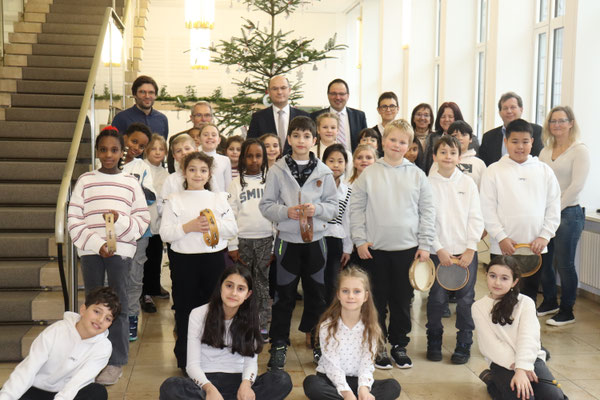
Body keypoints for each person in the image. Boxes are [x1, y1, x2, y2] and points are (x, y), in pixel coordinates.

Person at [350, 119, 435, 370]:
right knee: (376, 301)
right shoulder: (369, 174)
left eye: (403, 142)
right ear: (383, 141)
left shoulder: (417, 175)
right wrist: (359, 240)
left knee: (402, 300)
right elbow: (356, 209)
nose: (397, 145)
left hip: (407, 250)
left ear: (409, 145)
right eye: (393, 140)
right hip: (374, 250)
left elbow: (428, 211)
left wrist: (425, 244)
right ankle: (378, 345)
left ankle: (399, 344)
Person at [67, 127, 150, 385]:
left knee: (118, 304)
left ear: (122, 152)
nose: (108, 155)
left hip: (120, 253)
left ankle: (115, 361)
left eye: (114, 150)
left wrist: (121, 222)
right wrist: (96, 244)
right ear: (97, 152)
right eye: (103, 150)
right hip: (91, 252)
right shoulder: (85, 180)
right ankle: (91, 357)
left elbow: (142, 219)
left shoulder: (130, 182)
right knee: (93, 303)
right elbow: (74, 219)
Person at [259, 116, 338, 370]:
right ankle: (279, 345)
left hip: (316, 243)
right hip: (287, 243)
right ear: (289, 139)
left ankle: (319, 344)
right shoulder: (277, 170)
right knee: (283, 297)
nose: (301, 141)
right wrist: (286, 212)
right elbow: (266, 206)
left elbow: (334, 207)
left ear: (314, 140)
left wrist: (318, 209)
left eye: (306, 136)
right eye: (296, 136)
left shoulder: (324, 172)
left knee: (317, 296)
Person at [159, 266, 293, 400]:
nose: (233, 293)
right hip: (206, 382)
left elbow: (251, 362)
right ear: (220, 287)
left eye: (241, 289)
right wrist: (209, 389)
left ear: (248, 294)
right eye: (229, 286)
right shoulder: (198, 314)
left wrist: (246, 385)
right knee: (170, 386)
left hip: (239, 379)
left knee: (282, 380)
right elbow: (192, 365)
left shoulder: (252, 317)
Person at [159, 152, 238, 369]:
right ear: (184, 172)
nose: (197, 174)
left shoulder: (218, 198)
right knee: (185, 309)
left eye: (203, 170)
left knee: (213, 308)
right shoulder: (174, 199)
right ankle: (186, 359)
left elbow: (232, 229)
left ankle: (212, 355)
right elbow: (165, 233)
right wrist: (189, 227)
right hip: (184, 261)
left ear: (209, 174)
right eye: (192, 169)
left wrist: (212, 225)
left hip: (213, 260)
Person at [480, 119, 561, 303]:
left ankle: (526, 323)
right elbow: (487, 208)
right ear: (506, 142)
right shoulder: (493, 171)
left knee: (528, 297)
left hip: (535, 248)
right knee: (501, 295)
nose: (520, 146)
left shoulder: (544, 170)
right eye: (514, 141)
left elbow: (553, 206)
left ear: (532, 142)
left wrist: (545, 236)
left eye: (525, 141)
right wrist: (501, 237)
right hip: (503, 247)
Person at [473, 256, 568, 400]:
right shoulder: (478, 307)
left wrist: (522, 367)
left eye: (504, 278)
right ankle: (492, 382)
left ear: (514, 281)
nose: (497, 282)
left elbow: (529, 337)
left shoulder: (526, 302)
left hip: (530, 359)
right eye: (492, 276)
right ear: (486, 275)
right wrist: (517, 368)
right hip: (502, 362)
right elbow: (490, 345)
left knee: (554, 397)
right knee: (524, 397)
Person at [0, 287, 119, 400]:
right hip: (36, 389)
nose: (100, 320)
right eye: (97, 312)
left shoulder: (103, 347)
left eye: (108, 319)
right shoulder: (56, 331)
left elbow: (78, 383)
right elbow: (28, 369)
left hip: (68, 394)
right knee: (9, 393)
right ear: (83, 310)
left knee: (97, 392)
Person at [426, 135, 484, 364]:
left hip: (465, 253)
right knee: (437, 299)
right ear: (434, 156)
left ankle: (464, 342)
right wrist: (438, 249)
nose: (447, 157)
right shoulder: (427, 184)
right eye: (443, 152)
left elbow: (476, 217)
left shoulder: (468, 183)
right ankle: (434, 340)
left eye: (452, 153)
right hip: (438, 253)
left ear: (459, 157)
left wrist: (470, 248)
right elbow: (426, 221)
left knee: (466, 300)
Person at [303, 266, 401, 400]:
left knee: (393, 386)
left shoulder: (371, 328)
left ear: (365, 296)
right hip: (330, 379)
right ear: (338, 294)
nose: (350, 296)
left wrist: (364, 389)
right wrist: (346, 393)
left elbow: (367, 364)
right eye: (345, 291)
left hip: (357, 381)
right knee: (311, 384)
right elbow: (332, 365)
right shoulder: (328, 326)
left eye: (357, 291)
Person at [537, 106, 590, 326]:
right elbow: (540, 182)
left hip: (569, 214)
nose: (556, 125)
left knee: (565, 265)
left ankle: (567, 310)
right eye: (553, 121)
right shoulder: (545, 151)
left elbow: (576, 186)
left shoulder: (580, 150)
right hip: (545, 213)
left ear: (571, 123)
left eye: (561, 120)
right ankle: (550, 301)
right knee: (544, 261)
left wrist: (554, 210)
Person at [227, 139, 273, 341]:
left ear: (264, 158)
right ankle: (242, 322)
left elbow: (276, 214)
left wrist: (274, 246)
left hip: (266, 239)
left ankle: (261, 324)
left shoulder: (271, 181)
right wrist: (232, 244)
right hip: (243, 241)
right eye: (249, 156)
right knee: (242, 283)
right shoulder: (235, 184)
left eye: (258, 156)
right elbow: (230, 215)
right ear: (243, 158)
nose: (254, 160)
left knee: (262, 284)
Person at [121, 123, 156, 340]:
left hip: (139, 231)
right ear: (124, 138)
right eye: (134, 141)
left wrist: (132, 184)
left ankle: (132, 317)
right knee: (110, 278)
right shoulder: (107, 162)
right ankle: (110, 318)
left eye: (141, 146)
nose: (136, 148)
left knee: (134, 278)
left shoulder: (142, 167)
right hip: (112, 231)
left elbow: (150, 197)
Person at [141, 134, 170, 313]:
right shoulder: (141, 168)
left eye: (161, 149)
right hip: (143, 224)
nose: (157, 152)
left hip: (158, 225)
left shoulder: (166, 174)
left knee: (155, 258)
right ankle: (145, 293)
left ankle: (154, 287)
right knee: (144, 260)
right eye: (153, 149)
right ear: (146, 150)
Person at [321, 144, 352, 303]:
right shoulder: (316, 187)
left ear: (346, 164)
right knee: (317, 280)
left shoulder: (347, 191)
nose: (335, 165)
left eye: (340, 161)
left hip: (335, 240)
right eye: (331, 160)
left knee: (332, 280)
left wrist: (347, 248)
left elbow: (347, 221)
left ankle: (330, 312)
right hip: (317, 238)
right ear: (323, 163)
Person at [247, 75, 309, 153]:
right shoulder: (258, 118)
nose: (279, 92)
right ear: (269, 92)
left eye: (283, 88)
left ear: (289, 90)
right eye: (275, 89)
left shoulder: (304, 117)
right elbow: (251, 146)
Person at [479, 92, 543, 166]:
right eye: (505, 108)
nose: (509, 111)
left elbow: (538, 158)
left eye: (513, 107)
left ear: (521, 109)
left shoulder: (537, 131)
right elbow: (485, 165)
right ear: (500, 112)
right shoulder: (488, 137)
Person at [310, 79, 368, 152]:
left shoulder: (359, 116)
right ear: (328, 95)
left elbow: (365, 141)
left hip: (353, 158)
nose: (337, 97)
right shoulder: (315, 117)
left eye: (341, 94)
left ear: (347, 96)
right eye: (333, 94)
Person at [424, 102, 479, 173]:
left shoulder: (470, 139)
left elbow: (473, 164)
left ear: (457, 118)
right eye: (443, 117)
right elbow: (427, 163)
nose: (446, 119)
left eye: (450, 117)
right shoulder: (432, 137)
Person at [430, 121, 486, 188]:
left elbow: (483, 188)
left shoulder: (479, 164)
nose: (459, 138)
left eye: (464, 135)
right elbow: (432, 182)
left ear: (470, 138)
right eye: (455, 135)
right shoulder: (441, 160)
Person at [312, 113, 353, 177]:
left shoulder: (347, 154)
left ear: (337, 130)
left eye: (333, 127)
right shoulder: (311, 153)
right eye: (325, 127)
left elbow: (350, 178)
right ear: (318, 130)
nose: (329, 130)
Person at [198, 124, 232, 192]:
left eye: (213, 135)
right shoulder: (194, 159)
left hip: (220, 197)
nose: (210, 137)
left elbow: (228, 186)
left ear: (219, 140)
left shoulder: (225, 160)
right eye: (205, 135)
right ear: (199, 139)